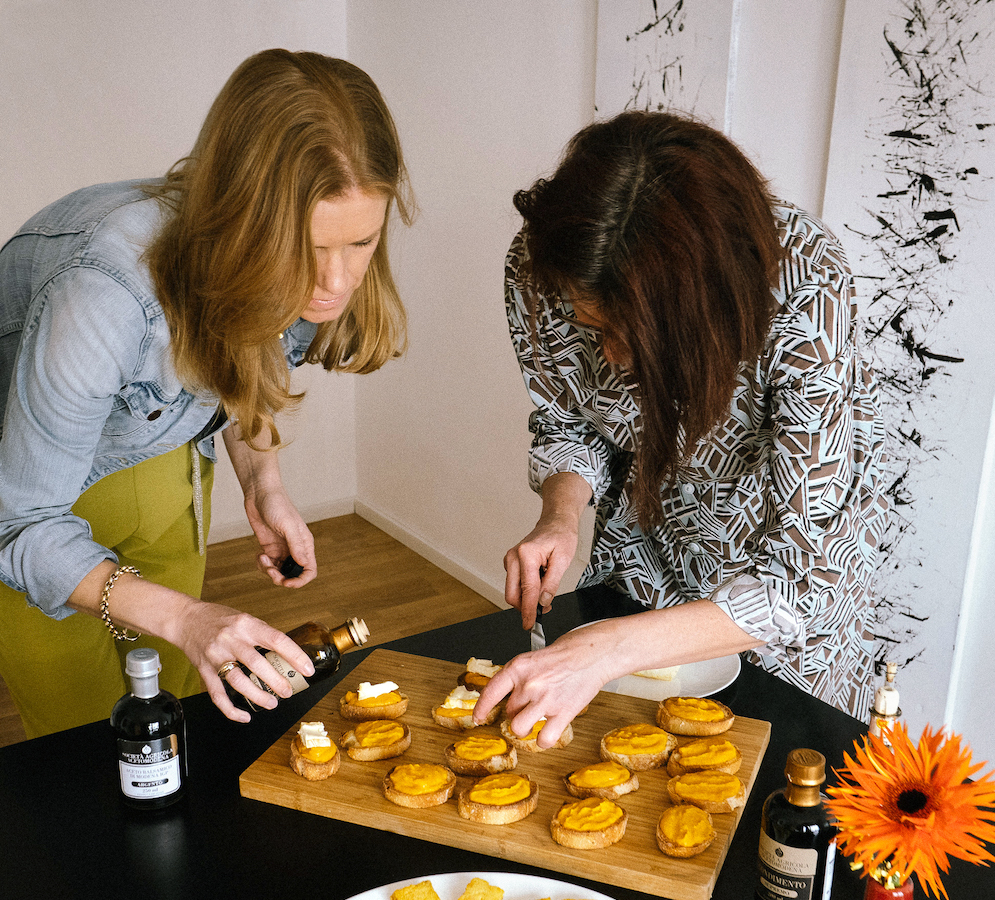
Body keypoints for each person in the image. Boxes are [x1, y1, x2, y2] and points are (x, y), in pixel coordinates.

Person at [0, 49, 413, 737]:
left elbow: (246, 366)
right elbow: (20, 523)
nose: (336, 285)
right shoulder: (103, 297)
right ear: (240, 219)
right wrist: (189, 619)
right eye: (309, 251)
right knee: (85, 743)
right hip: (35, 500)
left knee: (183, 705)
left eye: (360, 243)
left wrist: (263, 483)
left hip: (166, 476)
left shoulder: (308, 271)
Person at [475, 110, 887, 747]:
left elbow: (802, 578)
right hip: (635, 578)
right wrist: (560, 515)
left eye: (629, 334)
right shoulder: (547, 267)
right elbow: (569, 417)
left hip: (781, 635)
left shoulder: (807, 288)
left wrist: (603, 650)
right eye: (592, 327)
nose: (610, 357)